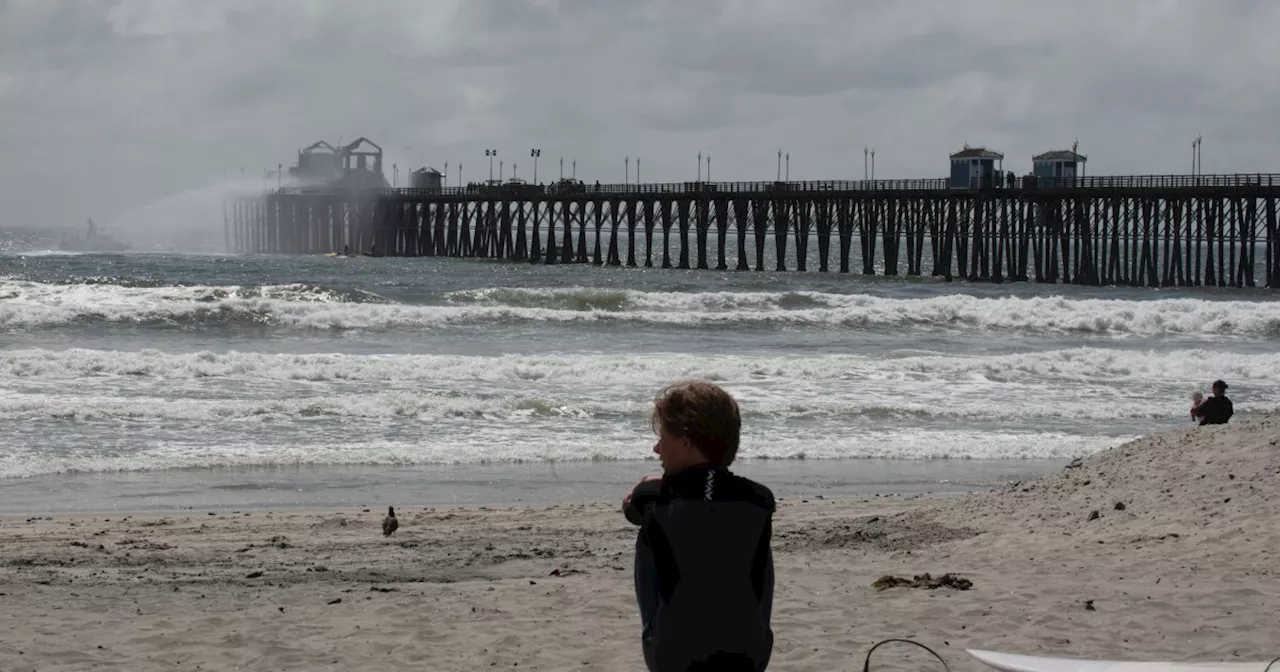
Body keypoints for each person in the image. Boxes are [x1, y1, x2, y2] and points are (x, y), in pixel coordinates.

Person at [622, 380, 775, 672]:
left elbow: (631, 511)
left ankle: (658, 633)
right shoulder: (759, 499)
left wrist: (650, 487)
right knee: (749, 530)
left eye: (662, 437)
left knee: (652, 532)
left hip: (673, 658)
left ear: (685, 442)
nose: (656, 448)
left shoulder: (652, 498)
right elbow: (709, 498)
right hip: (749, 657)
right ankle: (753, 633)